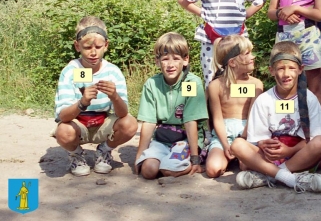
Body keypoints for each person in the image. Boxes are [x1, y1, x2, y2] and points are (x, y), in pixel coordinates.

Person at [230, 41, 321, 192]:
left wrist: (288, 151)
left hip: (298, 154)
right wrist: (263, 144)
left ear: (301, 70)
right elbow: (258, 140)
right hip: (270, 155)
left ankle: (269, 176)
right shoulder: (264, 100)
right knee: (237, 145)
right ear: (272, 70)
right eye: (281, 68)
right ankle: (292, 179)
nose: (286, 74)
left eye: (292, 68)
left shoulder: (309, 99)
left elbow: (315, 138)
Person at [54, 16, 138, 177]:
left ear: (106, 45)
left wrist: (115, 97)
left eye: (98, 47)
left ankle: (104, 151)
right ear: (77, 46)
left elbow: (123, 114)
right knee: (63, 131)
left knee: (130, 123)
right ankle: (76, 155)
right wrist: (82, 102)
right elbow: (62, 116)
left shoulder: (113, 72)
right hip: (77, 123)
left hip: (103, 123)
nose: (93, 52)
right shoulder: (70, 71)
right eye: (87, 47)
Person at [134, 32, 208, 179]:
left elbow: (190, 121)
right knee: (148, 171)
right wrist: (139, 156)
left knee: (169, 170)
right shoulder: (152, 84)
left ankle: (191, 162)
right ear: (157, 61)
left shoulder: (191, 84)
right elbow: (149, 122)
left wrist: (194, 158)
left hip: (185, 139)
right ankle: (164, 160)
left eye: (176, 59)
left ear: (185, 60)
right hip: (162, 138)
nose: (170, 64)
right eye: (165, 59)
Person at [206, 35, 264, 178]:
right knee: (213, 170)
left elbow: (253, 117)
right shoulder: (215, 86)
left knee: (247, 166)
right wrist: (226, 145)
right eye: (247, 53)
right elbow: (217, 119)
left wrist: (242, 139)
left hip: (248, 135)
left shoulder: (256, 84)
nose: (253, 57)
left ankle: (240, 158)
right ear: (232, 62)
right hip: (223, 135)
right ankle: (225, 155)